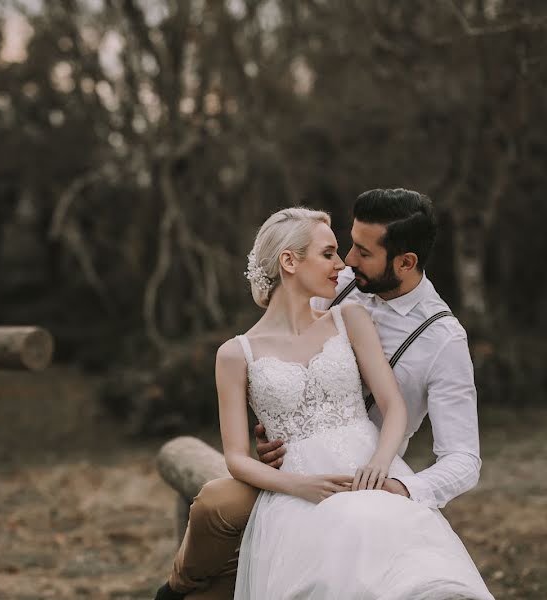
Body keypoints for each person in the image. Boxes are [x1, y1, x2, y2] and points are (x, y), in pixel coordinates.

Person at [155, 191, 487, 599]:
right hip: (292, 469)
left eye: (362, 252)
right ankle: (174, 590)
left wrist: (398, 486)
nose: (346, 260)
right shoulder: (340, 285)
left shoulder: (442, 339)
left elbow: (463, 459)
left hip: (373, 471)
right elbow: (285, 330)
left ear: (405, 262)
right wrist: (275, 427)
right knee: (214, 505)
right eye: (341, 248)